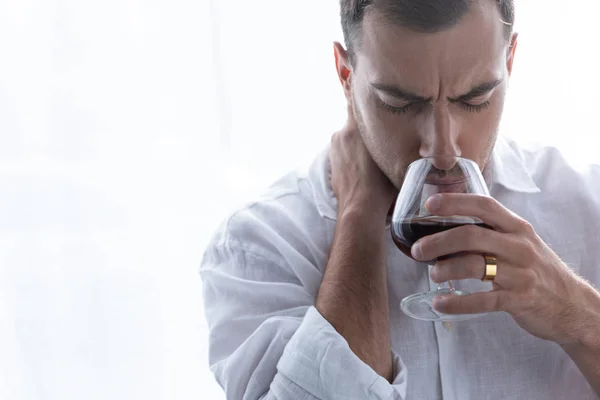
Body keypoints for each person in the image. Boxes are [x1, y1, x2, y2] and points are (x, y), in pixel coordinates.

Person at [200, 0, 600, 398]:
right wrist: (359, 210)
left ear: (509, 60)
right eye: (400, 103)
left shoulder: (588, 204)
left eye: (475, 99)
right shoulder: (258, 247)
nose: (442, 150)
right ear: (345, 75)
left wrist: (582, 318)